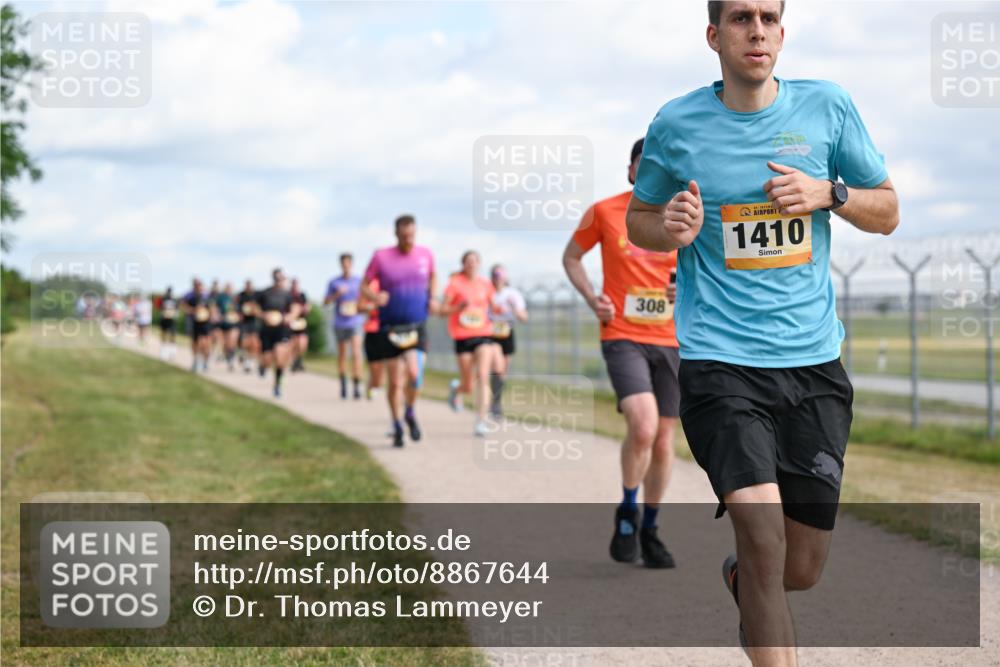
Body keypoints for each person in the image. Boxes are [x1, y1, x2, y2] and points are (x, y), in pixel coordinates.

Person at [625, 1, 899, 661]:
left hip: (812, 365)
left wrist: (830, 194)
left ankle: (743, 584)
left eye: (769, 18)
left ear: (782, 32)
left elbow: (888, 210)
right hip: (721, 363)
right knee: (764, 539)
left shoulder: (828, 107)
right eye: (741, 17)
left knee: (799, 566)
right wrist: (670, 226)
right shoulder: (677, 123)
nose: (757, 30)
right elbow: (641, 218)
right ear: (714, 34)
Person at [563, 137, 680, 570]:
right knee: (643, 427)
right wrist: (592, 298)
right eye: (643, 165)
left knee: (664, 440)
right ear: (631, 171)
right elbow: (572, 258)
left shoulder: (684, 214)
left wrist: (686, 287)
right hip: (622, 335)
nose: (651, 172)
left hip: (673, 339)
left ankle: (651, 526)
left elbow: (709, 266)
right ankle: (628, 510)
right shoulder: (604, 211)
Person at [362, 215, 437, 448]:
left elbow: (433, 276)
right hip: (390, 327)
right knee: (395, 382)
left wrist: (433, 297)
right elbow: (364, 286)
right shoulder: (381, 256)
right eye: (404, 236)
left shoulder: (425, 254)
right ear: (396, 234)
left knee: (415, 374)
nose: (408, 240)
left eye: (412, 235)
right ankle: (396, 424)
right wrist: (375, 296)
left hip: (416, 325)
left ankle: (410, 411)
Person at [441, 251, 499, 437]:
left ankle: (481, 421)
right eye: (468, 261)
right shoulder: (454, 284)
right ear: (463, 264)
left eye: (475, 261)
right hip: (462, 336)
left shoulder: (486, 284)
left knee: (483, 375)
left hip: (483, 334)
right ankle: (457, 389)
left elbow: (495, 307)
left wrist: (502, 309)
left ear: (479, 264)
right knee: (468, 385)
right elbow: (443, 310)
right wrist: (458, 307)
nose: (472, 264)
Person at [487, 264, 528, 418]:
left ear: (505, 278)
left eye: (500, 275)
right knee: (496, 367)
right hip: (490, 333)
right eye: (495, 275)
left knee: (502, 371)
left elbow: (524, 317)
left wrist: (514, 308)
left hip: (506, 333)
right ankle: (493, 402)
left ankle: (496, 402)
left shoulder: (512, 294)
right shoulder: (487, 293)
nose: (498, 279)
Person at [325, 253, 366, 400]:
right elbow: (326, 302)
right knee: (342, 354)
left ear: (351, 264)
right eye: (343, 263)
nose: (346, 266)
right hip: (340, 322)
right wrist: (337, 294)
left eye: (348, 263)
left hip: (355, 321)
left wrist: (361, 306)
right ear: (340, 265)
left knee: (356, 353)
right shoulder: (334, 282)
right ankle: (343, 383)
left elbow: (365, 299)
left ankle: (357, 384)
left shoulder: (359, 281)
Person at [256, 268, 300, 397]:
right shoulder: (264, 293)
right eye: (276, 278)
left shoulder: (288, 295)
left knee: (280, 358)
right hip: (267, 330)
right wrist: (263, 315)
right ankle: (263, 365)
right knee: (268, 359)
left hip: (282, 330)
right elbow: (254, 307)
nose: (279, 281)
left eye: (281, 278)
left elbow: (295, 309)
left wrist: (289, 317)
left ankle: (277, 384)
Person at [180, 278, 214, 373]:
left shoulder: (207, 296)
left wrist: (210, 314)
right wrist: (193, 310)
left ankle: (205, 361)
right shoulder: (190, 296)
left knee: (205, 343)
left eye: (199, 285)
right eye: (196, 285)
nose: (198, 287)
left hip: (205, 323)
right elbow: (183, 307)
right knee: (195, 343)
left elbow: (212, 308)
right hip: (194, 322)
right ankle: (196, 360)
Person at [359, 277, 385, 400]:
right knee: (374, 365)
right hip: (372, 330)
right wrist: (374, 307)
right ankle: (372, 385)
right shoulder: (370, 285)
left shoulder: (394, 284)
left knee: (384, 365)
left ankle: (376, 385)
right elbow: (359, 307)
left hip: (389, 329)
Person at [236, 280, 260, 373]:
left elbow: (259, 308)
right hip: (244, 322)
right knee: (244, 341)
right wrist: (239, 313)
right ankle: (243, 356)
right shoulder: (241, 295)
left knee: (254, 342)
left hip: (253, 321)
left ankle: (249, 361)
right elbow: (237, 307)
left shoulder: (256, 295)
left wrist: (256, 310)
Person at [216, 282, 241, 371]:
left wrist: (238, 316)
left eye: (230, 288)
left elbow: (240, 310)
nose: (229, 289)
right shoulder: (221, 298)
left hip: (234, 324)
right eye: (228, 288)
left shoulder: (236, 298)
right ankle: (228, 357)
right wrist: (218, 315)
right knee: (226, 344)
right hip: (224, 323)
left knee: (232, 341)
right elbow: (216, 309)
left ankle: (231, 359)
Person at [289, 278, 311, 372]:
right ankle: (294, 362)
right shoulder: (288, 295)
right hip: (291, 322)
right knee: (293, 343)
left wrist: (305, 309)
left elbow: (307, 307)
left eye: (296, 284)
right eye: (294, 284)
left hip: (301, 322)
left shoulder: (302, 295)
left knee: (302, 344)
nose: (295, 286)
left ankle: (299, 360)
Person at [158, 287, 178, 360]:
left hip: (172, 320)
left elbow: (177, 310)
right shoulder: (163, 299)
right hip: (164, 320)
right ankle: (163, 351)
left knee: (172, 336)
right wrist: (164, 313)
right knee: (163, 335)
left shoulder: (174, 300)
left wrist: (173, 314)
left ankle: (172, 352)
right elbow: (160, 308)